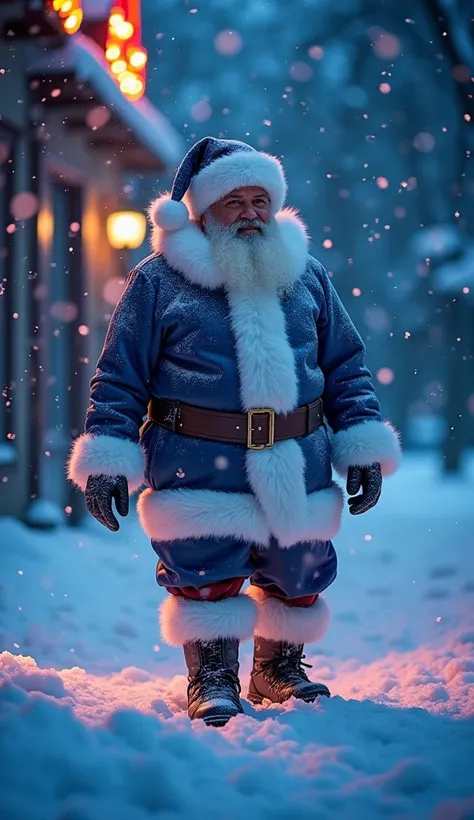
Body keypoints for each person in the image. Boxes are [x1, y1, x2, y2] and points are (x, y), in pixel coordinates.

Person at [67, 137, 401, 727]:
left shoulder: (308, 277)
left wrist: (363, 444)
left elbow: (346, 366)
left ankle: (277, 668)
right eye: (233, 201)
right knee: (203, 568)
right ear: (202, 211)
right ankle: (213, 674)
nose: (250, 213)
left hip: (298, 455)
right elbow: (119, 377)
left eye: (259, 200)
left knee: (298, 567)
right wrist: (107, 461)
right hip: (196, 458)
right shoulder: (159, 282)